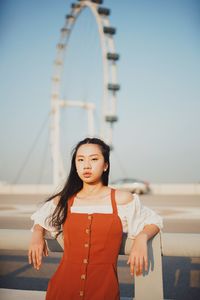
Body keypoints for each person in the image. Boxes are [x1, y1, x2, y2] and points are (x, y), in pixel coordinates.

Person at [28, 137, 163, 300]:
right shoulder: (64, 200)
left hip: (104, 291)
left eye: (94, 159)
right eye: (80, 160)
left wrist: (141, 237)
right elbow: (41, 217)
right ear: (75, 165)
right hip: (62, 290)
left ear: (105, 165)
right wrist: (37, 233)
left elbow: (153, 221)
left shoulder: (121, 199)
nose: (86, 165)